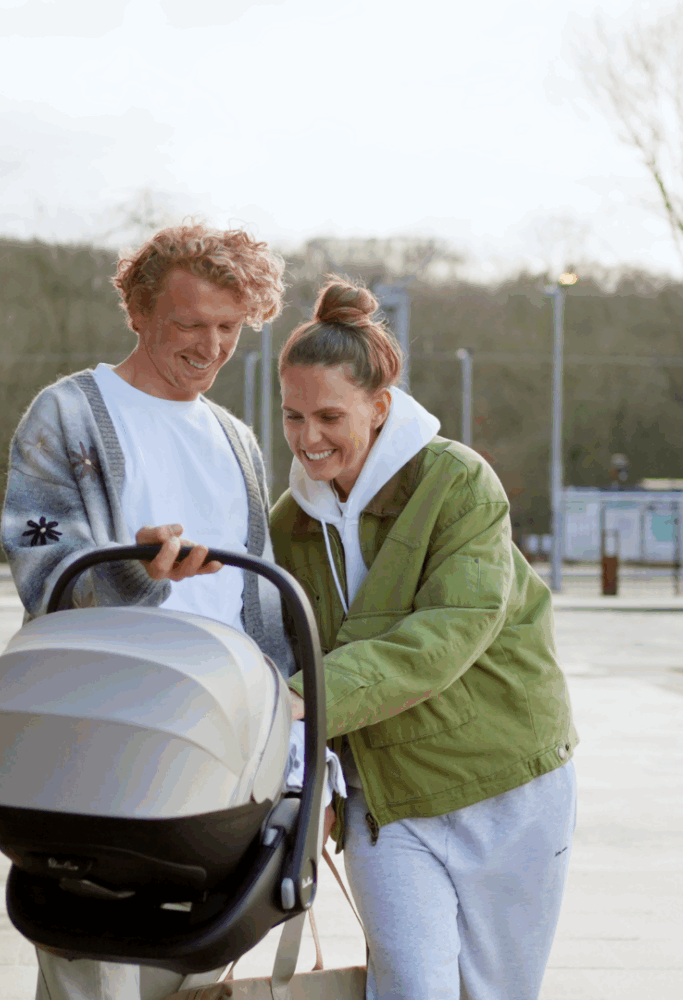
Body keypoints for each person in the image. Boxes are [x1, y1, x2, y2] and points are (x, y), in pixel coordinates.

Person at [0, 223, 294, 1000]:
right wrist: (132, 573)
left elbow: (254, 602)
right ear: (136, 309)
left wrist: (293, 742)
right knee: (92, 966)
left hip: (220, 745)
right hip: (100, 733)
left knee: (196, 967)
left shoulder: (237, 439)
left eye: (230, 328)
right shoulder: (67, 415)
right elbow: (42, 565)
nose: (211, 347)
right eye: (189, 324)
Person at [270, 277, 579, 1000]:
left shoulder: (460, 483)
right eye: (291, 417)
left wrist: (299, 698)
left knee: (499, 992)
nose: (308, 438)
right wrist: (299, 785)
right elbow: (276, 642)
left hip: (506, 784)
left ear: (380, 408)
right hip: (391, 806)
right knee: (412, 988)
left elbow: (446, 633)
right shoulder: (288, 523)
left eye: (328, 416)